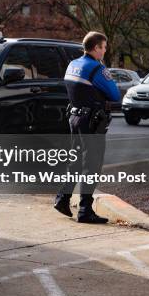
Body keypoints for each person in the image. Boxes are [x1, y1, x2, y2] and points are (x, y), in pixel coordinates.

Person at [54, 31, 120, 223]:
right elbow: (114, 94)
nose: (105, 51)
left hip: (74, 117)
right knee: (92, 165)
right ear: (95, 48)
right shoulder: (96, 68)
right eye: (104, 47)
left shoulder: (72, 64)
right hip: (91, 121)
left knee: (75, 162)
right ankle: (85, 211)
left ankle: (62, 199)